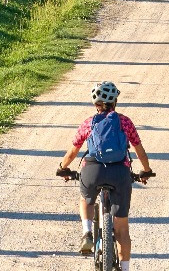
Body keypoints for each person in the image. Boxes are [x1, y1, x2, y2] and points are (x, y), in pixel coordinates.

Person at [57, 80, 154, 267]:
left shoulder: (88, 123)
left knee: (86, 199)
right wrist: (146, 171)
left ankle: (87, 233)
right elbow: (140, 151)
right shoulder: (125, 122)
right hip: (120, 172)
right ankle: (124, 268)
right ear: (115, 101)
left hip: (92, 171)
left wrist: (62, 167)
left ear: (96, 104)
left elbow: (72, 152)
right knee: (122, 229)